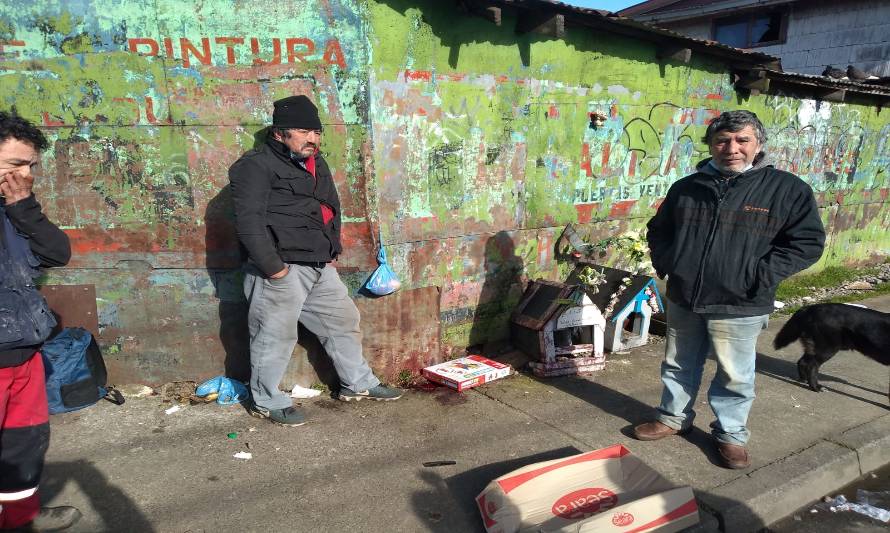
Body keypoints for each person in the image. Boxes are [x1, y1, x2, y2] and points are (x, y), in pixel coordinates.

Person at [633, 110, 825, 469]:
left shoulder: (787, 189)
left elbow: (807, 243)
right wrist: (669, 263)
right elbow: (659, 229)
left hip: (741, 302)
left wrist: (758, 275)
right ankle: (673, 418)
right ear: (711, 145)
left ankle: (730, 434)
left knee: (735, 372)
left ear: (758, 145)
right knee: (678, 362)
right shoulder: (688, 187)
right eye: (722, 140)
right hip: (685, 295)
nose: (731, 148)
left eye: (741, 140)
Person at [229, 95, 402, 427]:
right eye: (304, 131)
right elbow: (248, 223)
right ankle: (267, 400)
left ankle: (358, 384)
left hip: (318, 263)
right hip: (280, 268)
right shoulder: (255, 166)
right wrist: (274, 269)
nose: (313, 138)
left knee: (343, 320)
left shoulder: (313, 161)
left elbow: (327, 206)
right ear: (280, 132)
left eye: (317, 131)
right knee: (274, 335)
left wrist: (330, 247)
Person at [0, 111, 80, 530]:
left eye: (31, 165)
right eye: (15, 165)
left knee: (24, 440)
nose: (26, 174)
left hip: (24, 347)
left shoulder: (15, 207)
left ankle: (19, 517)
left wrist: (24, 207)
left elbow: (57, 253)